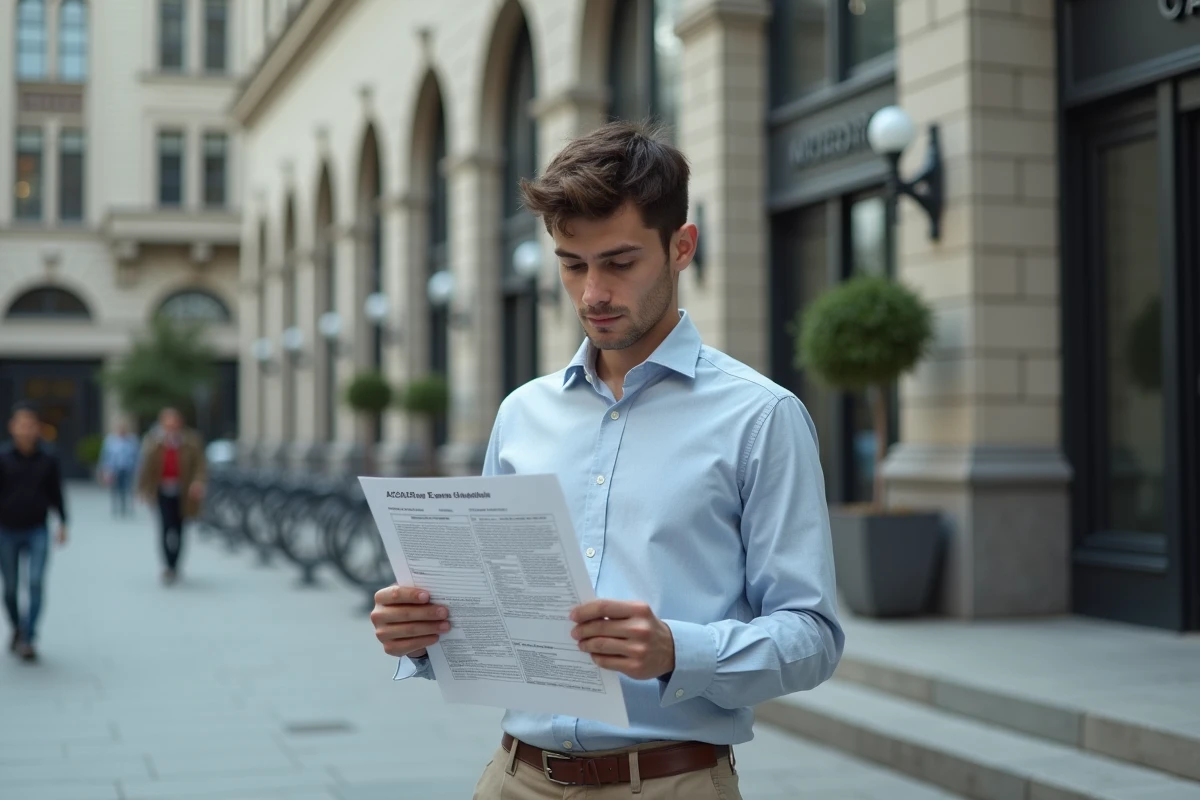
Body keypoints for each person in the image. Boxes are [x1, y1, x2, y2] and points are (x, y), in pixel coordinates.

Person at [370, 121, 844, 799]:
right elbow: (492, 622)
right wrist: (421, 634)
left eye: (619, 263)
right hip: (513, 776)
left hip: (669, 781)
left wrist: (677, 650)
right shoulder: (521, 415)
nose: (592, 292)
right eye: (572, 264)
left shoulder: (761, 417)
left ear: (682, 247)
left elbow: (813, 636)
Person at [0, 402, 68, 662]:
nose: (26, 430)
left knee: (36, 582)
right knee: (10, 587)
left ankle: (28, 636)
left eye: (31, 425)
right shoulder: (3, 457)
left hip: (37, 529)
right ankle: (17, 627)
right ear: (12, 428)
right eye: (22, 425)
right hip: (6, 530)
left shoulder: (48, 458)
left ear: (38, 429)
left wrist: (63, 522)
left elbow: (56, 492)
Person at [136, 408, 206, 585]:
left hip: (183, 492)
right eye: (167, 424)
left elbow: (200, 466)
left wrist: (198, 482)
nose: (171, 427)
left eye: (173, 423)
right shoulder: (154, 442)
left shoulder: (191, 441)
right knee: (166, 527)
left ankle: (175, 565)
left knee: (180, 528)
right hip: (162, 491)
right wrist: (143, 490)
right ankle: (167, 566)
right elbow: (146, 468)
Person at [99, 421, 140, 517]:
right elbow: (105, 456)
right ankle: (116, 506)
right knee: (115, 489)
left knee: (127, 488)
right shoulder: (110, 441)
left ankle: (126, 507)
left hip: (128, 468)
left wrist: (138, 468)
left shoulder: (132, 440)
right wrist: (105, 469)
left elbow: (137, 456)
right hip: (114, 469)